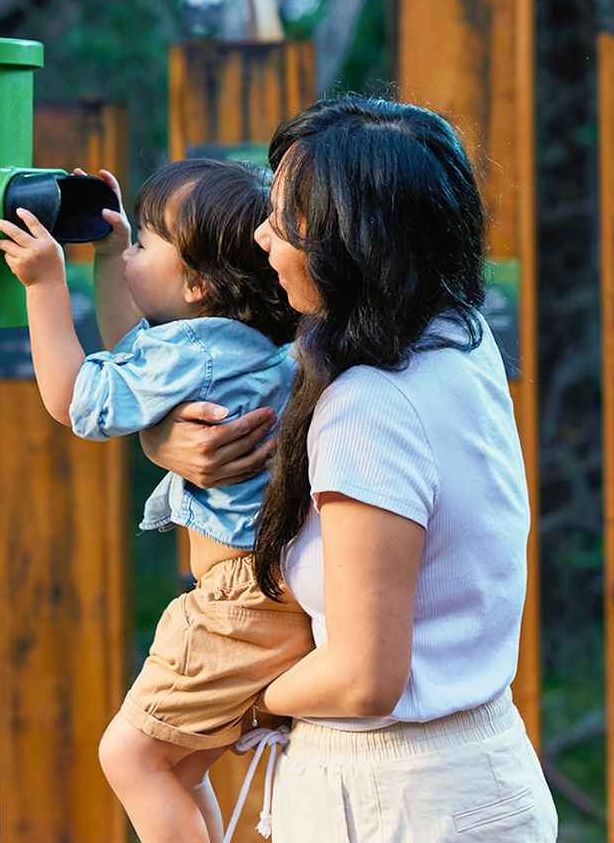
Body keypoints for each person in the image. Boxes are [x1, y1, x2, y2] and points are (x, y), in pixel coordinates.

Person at [150, 97, 558, 842]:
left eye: (283, 219)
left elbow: (366, 676)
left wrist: (246, 698)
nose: (263, 236)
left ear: (349, 244)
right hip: (474, 770)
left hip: (393, 796)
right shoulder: (457, 340)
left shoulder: (369, 406)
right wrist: (165, 444)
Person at [0, 159, 311, 843]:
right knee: (174, 768)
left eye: (142, 241)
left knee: (129, 756)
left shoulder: (196, 353)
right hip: (268, 592)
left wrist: (47, 286)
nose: (130, 249)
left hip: (235, 602)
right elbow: (134, 353)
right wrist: (112, 258)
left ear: (196, 284)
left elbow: (78, 399)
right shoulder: (226, 343)